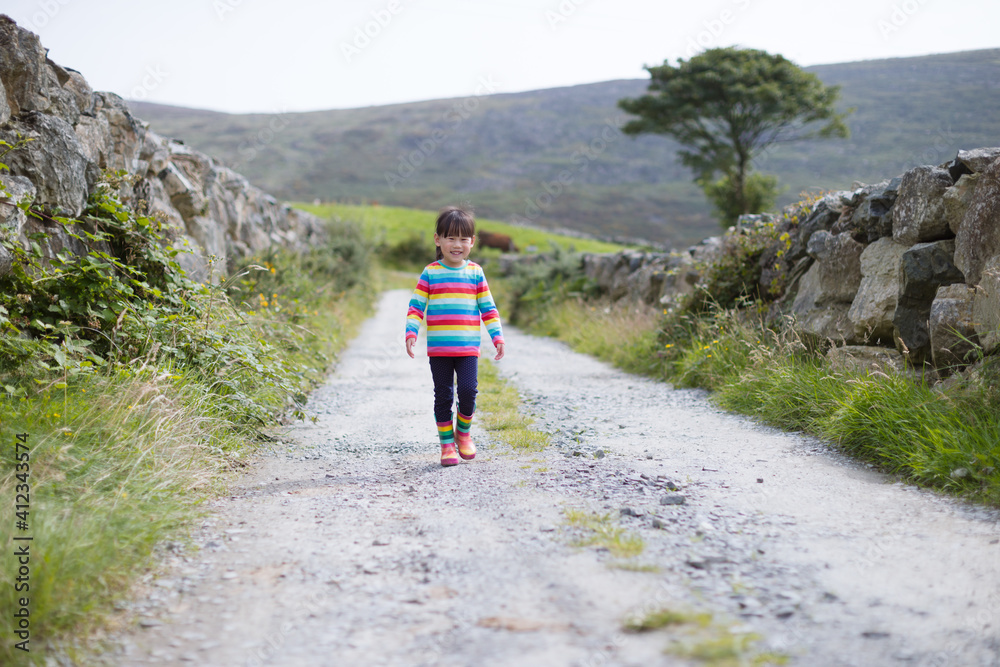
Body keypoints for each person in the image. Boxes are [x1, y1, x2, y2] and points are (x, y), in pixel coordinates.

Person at [405, 206, 505, 467]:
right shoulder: (430, 273)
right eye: (450, 238)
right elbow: (416, 307)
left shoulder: (475, 273)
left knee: (469, 391)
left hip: (468, 348)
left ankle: (464, 433)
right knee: (443, 395)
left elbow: (488, 309)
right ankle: (446, 445)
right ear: (438, 240)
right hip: (439, 349)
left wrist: (497, 337)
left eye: (463, 239)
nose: (457, 244)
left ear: (472, 242)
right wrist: (411, 332)